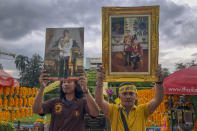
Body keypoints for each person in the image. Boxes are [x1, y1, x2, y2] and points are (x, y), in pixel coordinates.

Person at [95, 65, 164, 131]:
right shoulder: (113, 110)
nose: (128, 97)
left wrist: (159, 82)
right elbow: (99, 101)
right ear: (119, 96)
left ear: (136, 96)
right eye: (124, 94)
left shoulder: (142, 110)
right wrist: (99, 81)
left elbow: (158, 99)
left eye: (131, 93)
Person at [32, 70, 99, 131]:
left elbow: (95, 113)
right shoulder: (55, 102)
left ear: (76, 85)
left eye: (69, 81)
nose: (65, 84)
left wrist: (85, 90)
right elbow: (36, 110)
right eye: (63, 82)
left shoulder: (82, 102)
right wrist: (42, 88)